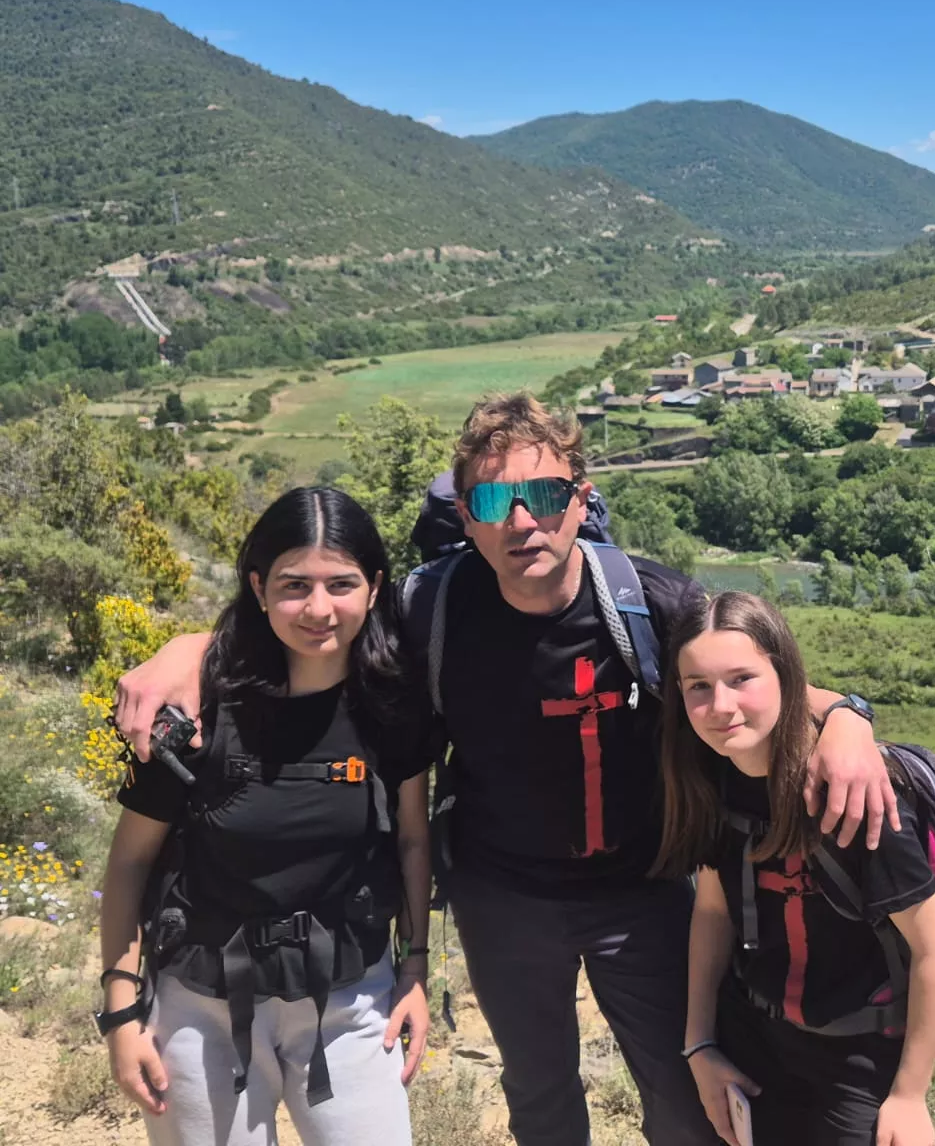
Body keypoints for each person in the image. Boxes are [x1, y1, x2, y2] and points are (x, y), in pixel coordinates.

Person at [113, 393, 895, 1146]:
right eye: (493, 502)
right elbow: (317, 624)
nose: (523, 522)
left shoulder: (648, 601)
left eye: (545, 494)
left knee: (685, 1095)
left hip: (645, 889)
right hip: (504, 898)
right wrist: (191, 651)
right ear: (466, 517)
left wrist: (847, 717)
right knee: (540, 1097)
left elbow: (754, 679)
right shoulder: (429, 609)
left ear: (581, 497)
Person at [98, 487, 433, 1146]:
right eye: (293, 585)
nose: (318, 609)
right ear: (258, 587)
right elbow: (131, 860)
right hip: (200, 1003)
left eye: (341, 584)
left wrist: (414, 972)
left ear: (374, 588)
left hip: (351, 999)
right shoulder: (194, 711)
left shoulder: (393, 702)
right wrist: (121, 1008)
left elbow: (413, 840)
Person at [655, 590, 935, 1146]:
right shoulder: (711, 777)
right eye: (698, 685)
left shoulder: (851, 792)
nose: (720, 705)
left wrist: (910, 1095)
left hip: (855, 1059)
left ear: (785, 675)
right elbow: (714, 910)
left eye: (742, 679)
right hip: (753, 1041)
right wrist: (700, 1043)